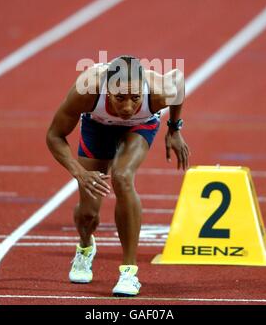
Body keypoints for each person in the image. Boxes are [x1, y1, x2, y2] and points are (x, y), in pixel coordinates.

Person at [46, 55, 190, 296]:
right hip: (97, 127)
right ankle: (84, 247)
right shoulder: (87, 89)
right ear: (106, 89)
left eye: (135, 98)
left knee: (122, 177)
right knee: (88, 212)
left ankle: (129, 272)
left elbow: (179, 79)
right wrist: (79, 173)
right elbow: (54, 135)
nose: (127, 107)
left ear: (143, 90)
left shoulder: (158, 91)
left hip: (140, 127)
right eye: (119, 98)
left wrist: (174, 129)